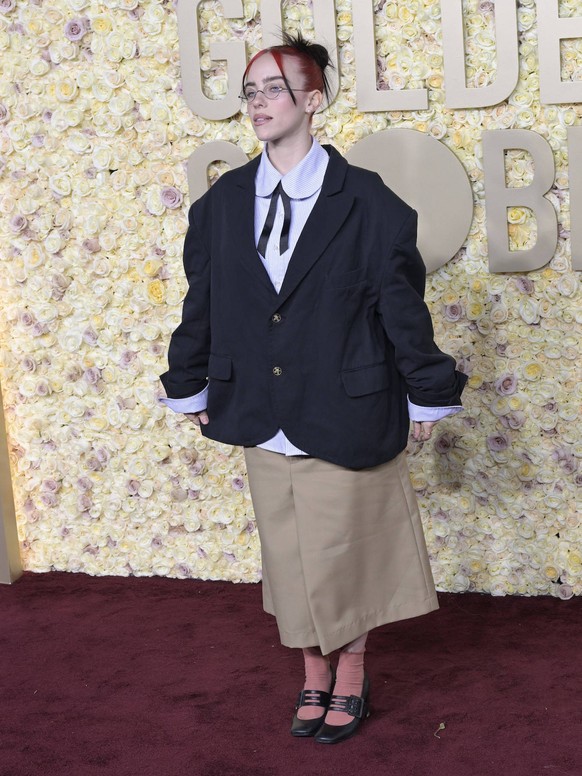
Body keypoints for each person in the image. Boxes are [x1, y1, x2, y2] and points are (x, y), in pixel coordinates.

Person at [160, 33, 467, 744]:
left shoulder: (368, 201)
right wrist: (188, 382)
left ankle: (351, 673)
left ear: (313, 99)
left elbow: (401, 308)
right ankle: (310, 672)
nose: (258, 102)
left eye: (273, 88)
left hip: (347, 404)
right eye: (250, 91)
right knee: (289, 553)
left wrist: (426, 393)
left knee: (344, 551)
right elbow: (203, 301)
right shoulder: (221, 204)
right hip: (259, 411)